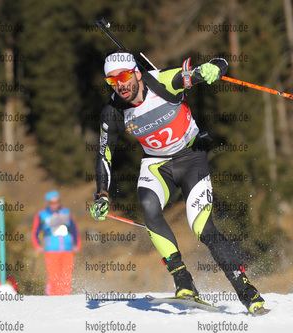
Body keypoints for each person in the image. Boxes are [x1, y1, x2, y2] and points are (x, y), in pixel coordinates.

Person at [90, 49, 266, 314]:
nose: (120, 84)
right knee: (149, 206)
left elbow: (215, 65)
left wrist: (213, 68)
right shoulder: (113, 111)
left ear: (137, 72)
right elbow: (105, 154)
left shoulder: (163, 81)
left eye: (124, 76)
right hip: (156, 164)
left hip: (191, 158)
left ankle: (246, 291)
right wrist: (101, 193)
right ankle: (183, 281)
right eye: (112, 80)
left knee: (202, 229)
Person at [32, 190, 81, 295]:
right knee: (54, 276)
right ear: (48, 203)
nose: (55, 204)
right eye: (52, 202)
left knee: (66, 276)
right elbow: (35, 232)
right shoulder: (42, 215)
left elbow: (74, 229)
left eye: (57, 201)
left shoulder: (66, 212)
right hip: (51, 250)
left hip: (67, 249)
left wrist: (77, 244)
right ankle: (53, 296)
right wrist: (37, 246)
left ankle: (65, 297)